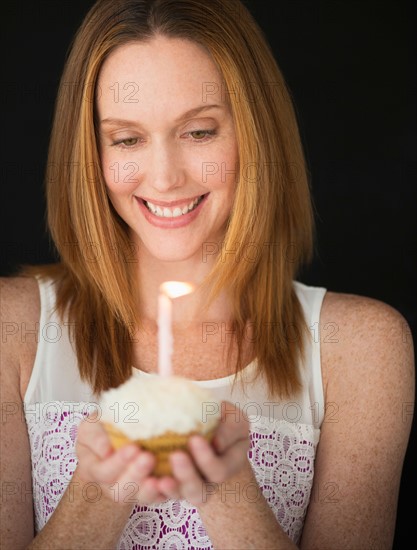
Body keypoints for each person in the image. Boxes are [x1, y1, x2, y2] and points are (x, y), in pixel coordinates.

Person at [1, 0, 414, 548]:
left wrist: (226, 485)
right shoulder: (13, 330)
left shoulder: (362, 348)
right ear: (91, 152)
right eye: (127, 139)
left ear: (255, 136)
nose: (166, 177)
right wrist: (105, 487)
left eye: (199, 132)